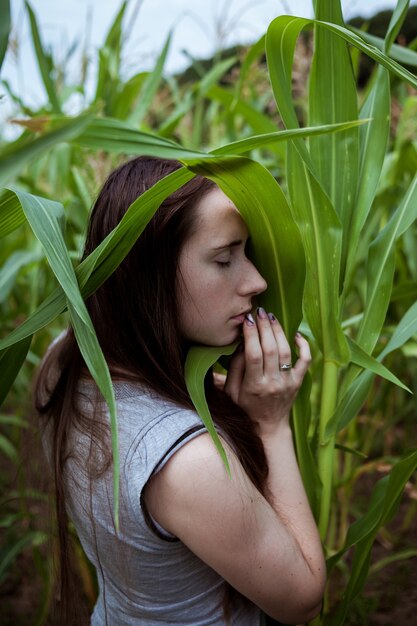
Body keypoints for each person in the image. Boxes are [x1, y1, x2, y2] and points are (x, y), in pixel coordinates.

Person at [34, 156, 325, 626]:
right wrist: (270, 424)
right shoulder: (186, 462)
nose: (257, 282)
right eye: (224, 259)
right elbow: (302, 600)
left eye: (247, 253)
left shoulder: (62, 362)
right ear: (149, 272)